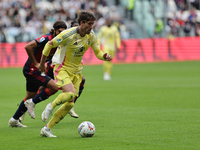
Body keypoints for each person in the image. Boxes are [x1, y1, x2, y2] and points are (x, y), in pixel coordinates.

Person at [39, 10, 112, 137]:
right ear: (81, 23)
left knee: (70, 103)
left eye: (92, 24)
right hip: (62, 67)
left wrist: (104, 56)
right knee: (70, 93)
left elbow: (97, 52)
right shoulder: (68, 34)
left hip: (77, 71)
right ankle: (50, 106)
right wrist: (41, 64)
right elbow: (49, 45)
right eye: (89, 24)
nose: (91, 27)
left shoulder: (92, 35)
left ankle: (47, 129)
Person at [8, 20, 67, 127]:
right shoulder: (47, 38)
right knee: (54, 87)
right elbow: (28, 46)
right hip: (32, 69)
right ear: (54, 30)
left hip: (34, 70)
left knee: (30, 96)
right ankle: (32, 103)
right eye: (59, 31)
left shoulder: (59, 42)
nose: (61, 34)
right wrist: (36, 63)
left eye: (63, 32)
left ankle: (14, 120)